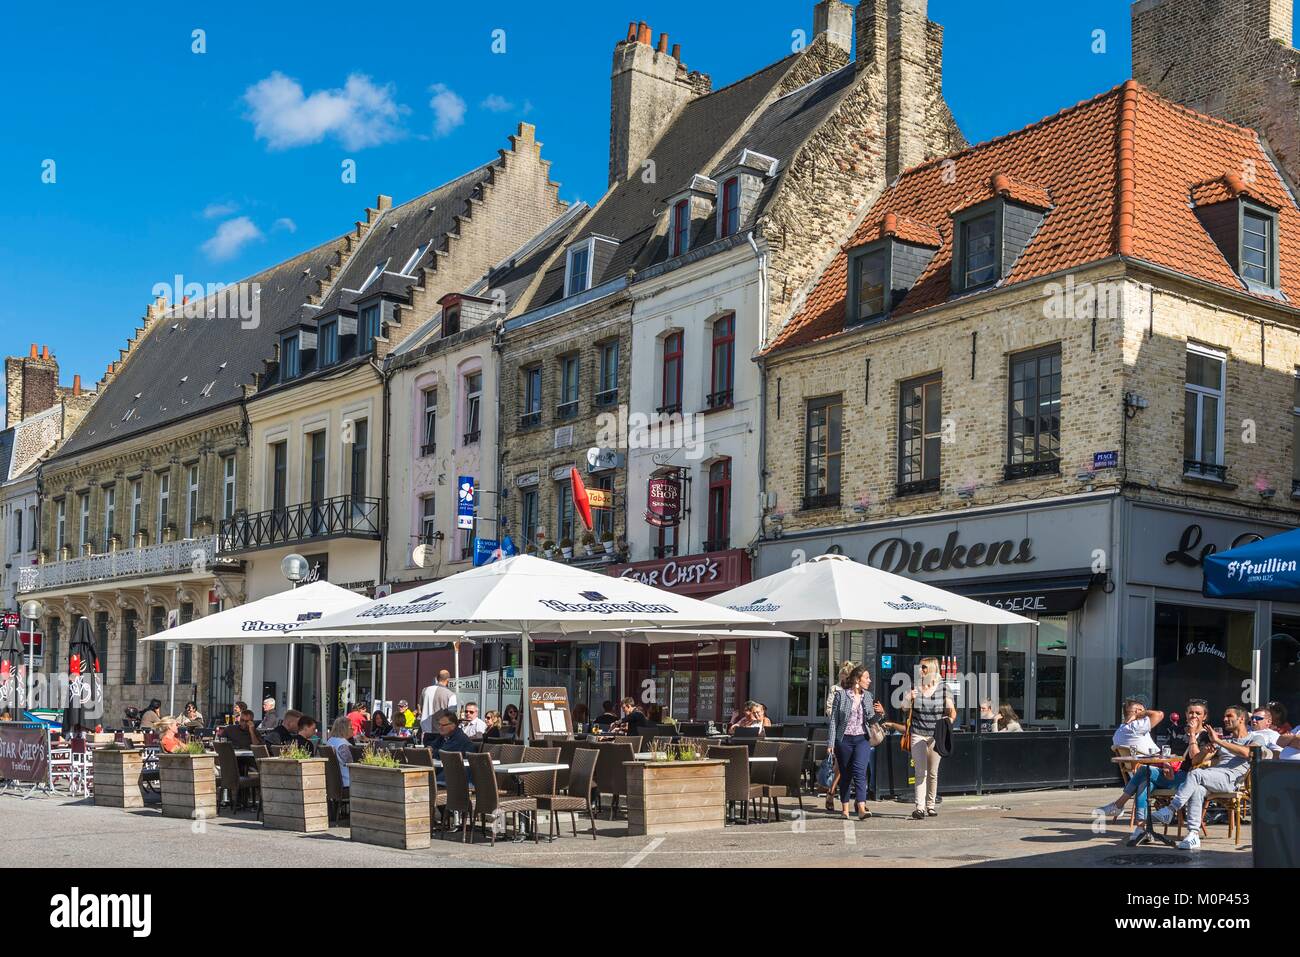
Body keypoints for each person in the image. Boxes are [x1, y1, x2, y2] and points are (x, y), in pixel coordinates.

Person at [1153, 705, 1269, 850]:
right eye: (1225, 716)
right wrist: (1204, 749)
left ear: (1241, 719)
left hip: (1230, 780)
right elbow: (1195, 761)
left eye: (1229, 716)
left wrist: (1219, 741)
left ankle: (1171, 809)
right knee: (1198, 789)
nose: (1225, 719)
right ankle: (1193, 835)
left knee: (1196, 774)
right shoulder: (1225, 741)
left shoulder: (1256, 737)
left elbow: (1249, 753)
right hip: (1214, 777)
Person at [1095, 699, 1166, 827]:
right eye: (1143, 711)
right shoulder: (1136, 727)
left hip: (1135, 775)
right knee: (1144, 778)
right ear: (1137, 712)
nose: (1145, 714)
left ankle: (1124, 810)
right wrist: (1141, 714)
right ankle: (1141, 825)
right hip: (1155, 771)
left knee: (1143, 782)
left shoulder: (1118, 732)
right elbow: (1159, 714)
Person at [827, 666, 885, 821]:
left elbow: (871, 721)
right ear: (857, 680)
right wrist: (830, 742)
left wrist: (880, 714)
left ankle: (860, 807)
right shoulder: (841, 696)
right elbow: (834, 720)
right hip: (844, 739)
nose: (870, 680)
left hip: (862, 739)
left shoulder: (868, 696)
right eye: (867, 677)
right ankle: (845, 808)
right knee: (845, 774)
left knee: (860, 772)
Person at [904, 657, 956, 820]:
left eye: (924, 667)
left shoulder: (943, 688)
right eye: (920, 667)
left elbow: (952, 712)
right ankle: (919, 808)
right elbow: (904, 709)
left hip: (935, 735)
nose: (921, 670)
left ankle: (930, 805)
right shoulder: (914, 687)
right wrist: (907, 698)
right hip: (917, 733)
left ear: (933, 669)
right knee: (920, 772)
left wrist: (947, 724)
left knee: (933, 772)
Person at [428, 711, 475, 782]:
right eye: (439, 724)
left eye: (443, 725)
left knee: (428, 782)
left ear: (453, 725)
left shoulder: (459, 738)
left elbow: (442, 753)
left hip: (460, 778)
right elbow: (431, 748)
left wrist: (432, 752)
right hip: (448, 773)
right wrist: (431, 751)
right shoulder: (444, 736)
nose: (440, 727)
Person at [419, 670, 458, 735]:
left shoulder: (425, 690)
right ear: (448, 680)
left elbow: (420, 709)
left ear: (437, 678)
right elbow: (452, 715)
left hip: (425, 730)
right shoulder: (450, 695)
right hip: (442, 731)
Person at [325, 717, 354, 788]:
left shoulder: (330, 741)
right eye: (351, 727)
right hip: (348, 782)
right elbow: (351, 764)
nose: (353, 729)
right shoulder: (343, 745)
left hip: (333, 783)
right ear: (344, 729)